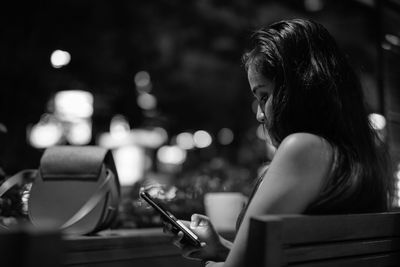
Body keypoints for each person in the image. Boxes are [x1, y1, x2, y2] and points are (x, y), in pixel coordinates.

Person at [167, 18, 393, 267]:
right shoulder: (361, 157)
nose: (259, 114)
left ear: (298, 90)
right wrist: (221, 250)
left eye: (264, 95)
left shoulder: (303, 149)